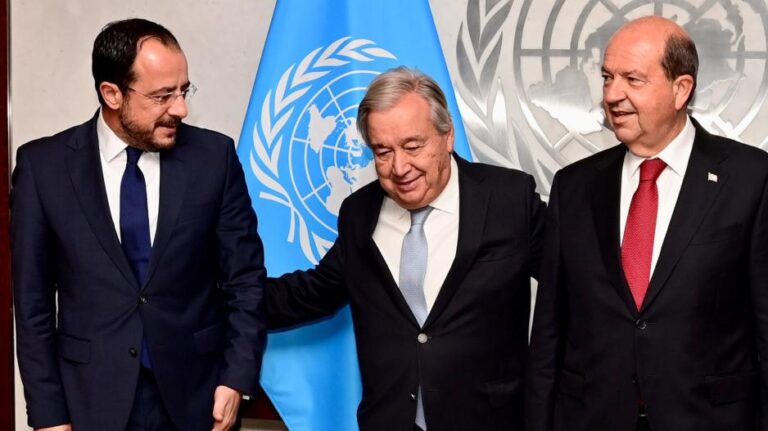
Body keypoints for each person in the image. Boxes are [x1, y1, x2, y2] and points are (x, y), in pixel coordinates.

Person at [12, 18, 266, 431]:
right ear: (112, 94)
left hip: (198, 400)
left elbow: (246, 281)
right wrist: (48, 415)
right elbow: (32, 305)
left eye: (183, 91)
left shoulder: (214, 158)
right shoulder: (43, 168)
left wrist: (236, 378)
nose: (180, 108)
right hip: (90, 403)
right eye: (163, 96)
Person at [267, 66, 545, 430]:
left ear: (447, 135)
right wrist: (218, 296)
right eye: (383, 152)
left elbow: (577, 288)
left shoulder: (509, 199)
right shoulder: (358, 213)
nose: (399, 167)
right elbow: (312, 293)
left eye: (413, 147)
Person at [526, 16, 768, 431]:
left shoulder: (750, 178)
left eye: (632, 80)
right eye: (607, 77)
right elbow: (549, 333)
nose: (612, 95)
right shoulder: (573, 187)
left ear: (681, 89)